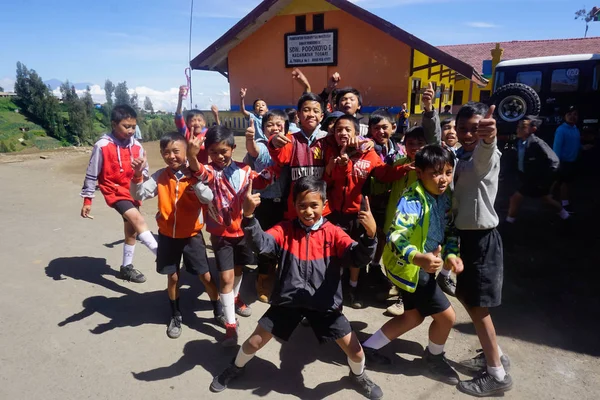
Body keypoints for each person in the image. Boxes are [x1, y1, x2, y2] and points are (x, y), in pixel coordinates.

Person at [210, 176, 384, 400]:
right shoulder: (284, 230)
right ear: (294, 206)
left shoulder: (334, 233)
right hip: (288, 303)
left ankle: (358, 376)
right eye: (302, 205)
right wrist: (249, 217)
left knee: (356, 351)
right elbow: (262, 244)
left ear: (324, 204)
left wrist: (370, 236)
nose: (308, 211)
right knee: (253, 342)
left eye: (314, 205)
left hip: (324, 305)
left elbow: (358, 258)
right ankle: (236, 367)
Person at [363, 145, 462, 386]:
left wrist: (451, 254)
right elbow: (396, 235)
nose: (443, 179)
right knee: (447, 318)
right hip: (413, 269)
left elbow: (448, 229)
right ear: (419, 173)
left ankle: (367, 348)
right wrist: (419, 258)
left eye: (448, 172)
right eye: (435, 173)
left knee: (413, 317)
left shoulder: (444, 195)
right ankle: (434, 358)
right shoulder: (412, 199)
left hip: (420, 266)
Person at [129, 132, 224, 338]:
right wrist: (137, 175)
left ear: (187, 152)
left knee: (205, 276)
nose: (171, 156)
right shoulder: (161, 176)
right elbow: (138, 194)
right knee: (172, 278)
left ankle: (218, 308)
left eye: (176, 151)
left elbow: (208, 198)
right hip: (167, 237)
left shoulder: (196, 173)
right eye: (166, 152)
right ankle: (175, 314)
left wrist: (196, 180)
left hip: (191, 236)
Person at [187, 126, 269, 347]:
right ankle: (230, 326)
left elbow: (264, 180)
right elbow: (197, 170)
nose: (219, 156)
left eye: (224, 151)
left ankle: (234, 297)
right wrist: (191, 155)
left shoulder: (245, 170)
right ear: (208, 152)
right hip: (221, 233)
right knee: (225, 278)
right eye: (213, 152)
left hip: (244, 230)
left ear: (233, 148)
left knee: (240, 268)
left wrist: (275, 158)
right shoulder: (210, 172)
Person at [452, 102, 513, 396]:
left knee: (478, 307)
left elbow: (485, 153)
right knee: (466, 297)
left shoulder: (483, 155)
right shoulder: (460, 155)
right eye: (462, 128)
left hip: (481, 239)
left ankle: (497, 375)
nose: (467, 134)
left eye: (473, 129)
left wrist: (488, 138)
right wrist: (427, 114)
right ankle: (496, 355)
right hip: (465, 239)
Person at [325, 115, 412, 308]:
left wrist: (405, 168)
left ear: (357, 133)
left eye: (348, 130)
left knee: (357, 254)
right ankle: (333, 292)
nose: (343, 133)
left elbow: (385, 174)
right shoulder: (331, 152)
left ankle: (353, 289)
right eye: (339, 130)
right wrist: (339, 162)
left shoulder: (369, 153)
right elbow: (330, 181)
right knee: (336, 255)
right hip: (335, 214)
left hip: (359, 214)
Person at [80, 104, 158, 283]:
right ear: (114, 124)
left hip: (132, 191)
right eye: (126, 126)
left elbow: (144, 171)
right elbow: (92, 173)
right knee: (138, 220)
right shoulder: (102, 146)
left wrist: (141, 172)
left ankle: (126, 268)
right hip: (114, 191)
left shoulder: (137, 146)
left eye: (133, 126)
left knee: (131, 231)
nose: (131, 130)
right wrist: (87, 200)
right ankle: (162, 257)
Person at [245, 109, 290, 303]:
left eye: (279, 124)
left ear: (286, 128)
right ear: (263, 129)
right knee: (264, 243)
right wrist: (249, 140)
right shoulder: (263, 146)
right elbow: (253, 150)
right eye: (270, 124)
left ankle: (277, 274)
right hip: (265, 204)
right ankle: (263, 279)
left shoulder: (290, 146)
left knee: (283, 243)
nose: (274, 127)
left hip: (286, 203)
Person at [268, 92, 332, 220]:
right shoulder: (290, 139)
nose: (311, 114)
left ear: (321, 116)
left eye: (316, 111)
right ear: (298, 115)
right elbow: (280, 157)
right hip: (296, 206)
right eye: (306, 110)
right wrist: (273, 143)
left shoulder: (328, 139)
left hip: (321, 205)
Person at [505, 116, 569, 225]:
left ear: (532, 129)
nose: (518, 129)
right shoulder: (519, 142)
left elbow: (554, 162)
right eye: (518, 126)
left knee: (515, 198)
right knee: (546, 199)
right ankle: (565, 215)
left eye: (522, 127)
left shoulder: (537, 144)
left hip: (535, 180)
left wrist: (546, 181)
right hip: (526, 178)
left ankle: (509, 222)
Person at [175, 86, 220, 164]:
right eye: (192, 120)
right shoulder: (186, 133)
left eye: (199, 120)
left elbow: (220, 133)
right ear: (187, 123)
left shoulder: (207, 133)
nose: (196, 123)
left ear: (204, 123)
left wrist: (216, 116)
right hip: (189, 168)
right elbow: (178, 116)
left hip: (205, 168)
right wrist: (180, 99)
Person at [552, 106, 581, 213]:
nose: (572, 117)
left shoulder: (576, 129)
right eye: (569, 114)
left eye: (575, 114)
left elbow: (576, 144)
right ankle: (565, 204)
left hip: (572, 162)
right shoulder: (561, 130)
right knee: (564, 183)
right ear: (565, 116)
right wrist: (556, 163)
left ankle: (550, 198)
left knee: (561, 182)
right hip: (563, 162)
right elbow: (557, 147)